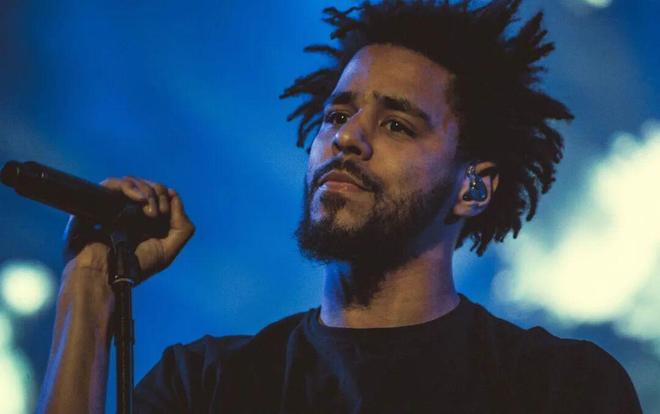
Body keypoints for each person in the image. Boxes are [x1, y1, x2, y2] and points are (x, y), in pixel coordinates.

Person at [37, 1, 643, 413]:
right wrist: (90, 283)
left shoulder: (557, 387)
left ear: (473, 189)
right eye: (337, 114)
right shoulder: (208, 386)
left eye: (398, 124)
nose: (347, 137)